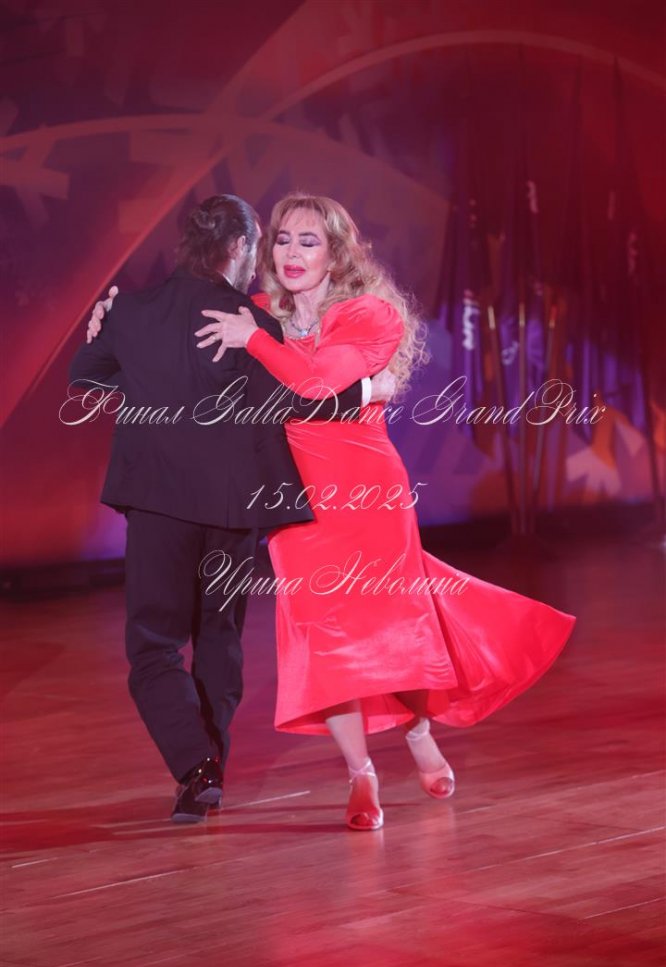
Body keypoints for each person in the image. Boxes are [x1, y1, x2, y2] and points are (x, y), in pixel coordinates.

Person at [192, 192, 576, 831]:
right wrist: (112, 322)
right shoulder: (257, 311)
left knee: (387, 621)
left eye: (309, 241)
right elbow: (186, 329)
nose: (291, 253)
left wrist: (256, 342)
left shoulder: (368, 315)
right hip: (292, 493)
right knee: (323, 633)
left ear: (337, 253)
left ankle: (418, 730)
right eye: (282, 239)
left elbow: (315, 381)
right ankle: (360, 773)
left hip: (365, 490)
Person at [70, 194, 393, 823]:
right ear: (242, 247)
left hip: (157, 501)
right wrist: (365, 391)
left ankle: (198, 767)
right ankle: (206, 768)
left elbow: (87, 375)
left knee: (153, 647)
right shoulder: (254, 321)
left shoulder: (131, 311)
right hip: (231, 507)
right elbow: (295, 401)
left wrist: (138, 366)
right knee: (218, 639)